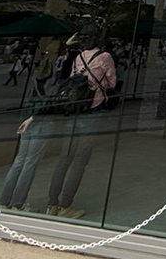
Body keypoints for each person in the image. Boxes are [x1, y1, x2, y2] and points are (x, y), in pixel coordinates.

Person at [45, 33, 116, 219]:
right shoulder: (105, 56)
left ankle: (52, 203)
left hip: (74, 108)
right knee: (80, 159)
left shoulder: (79, 57)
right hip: (92, 107)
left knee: (65, 157)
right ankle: (66, 205)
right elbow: (112, 82)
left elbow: (72, 77)